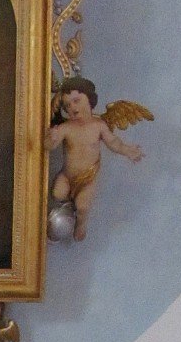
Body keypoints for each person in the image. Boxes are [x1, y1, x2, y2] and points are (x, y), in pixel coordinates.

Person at [48, 77, 146, 242]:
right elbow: (49, 146)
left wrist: (127, 150)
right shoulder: (66, 128)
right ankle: (67, 206)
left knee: (83, 207)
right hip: (67, 176)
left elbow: (113, 143)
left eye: (76, 101)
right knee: (57, 194)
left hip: (88, 178)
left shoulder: (98, 126)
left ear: (90, 99)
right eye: (67, 105)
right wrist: (51, 138)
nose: (72, 107)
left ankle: (81, 224)